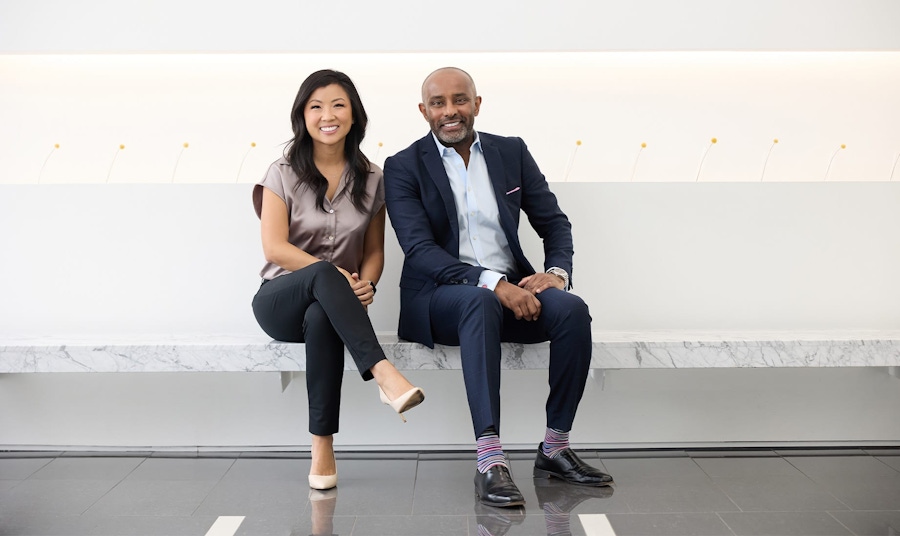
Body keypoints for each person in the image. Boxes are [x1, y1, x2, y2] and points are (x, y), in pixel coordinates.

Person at [383, 67, 613, 508]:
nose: (450, 111)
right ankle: (490, 460)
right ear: (423, 111)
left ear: (477, 103)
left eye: (460, 100)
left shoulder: (512, 152)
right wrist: (495, 284)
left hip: (508, 296)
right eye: (438, 103)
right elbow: (419, 251)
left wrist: (556, 274)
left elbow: (553, 223)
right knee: (479, 303)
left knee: (571, 310)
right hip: (438, 299)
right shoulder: (403, 166)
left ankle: (556, 447)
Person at [251, 69, 424, 491]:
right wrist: (335, 275)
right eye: (316, 106)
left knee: (325, 315)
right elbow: (274, 248)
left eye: (338, 105)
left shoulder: (373, 178)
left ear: (353, 116)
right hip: (279, 300)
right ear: (303, 116)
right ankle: (383, 372)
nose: (327, 115)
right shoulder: (281, 172)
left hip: (329, 307)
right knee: (324, 276)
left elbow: (374, 252)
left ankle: (322, 447)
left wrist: (366, 283)